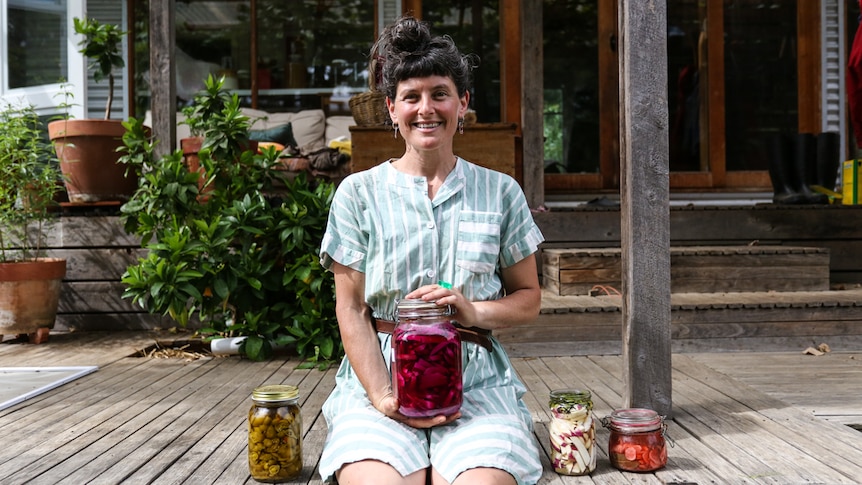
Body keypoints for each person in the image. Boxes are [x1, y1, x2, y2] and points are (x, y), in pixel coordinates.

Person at [318, 16, 544, 485]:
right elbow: (352, 308)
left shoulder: (500, 192)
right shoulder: (358, 194)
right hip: (380, 377)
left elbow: (529, 299)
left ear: (462, 104)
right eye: (411, 97)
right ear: (391, 108)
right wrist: (384, 396)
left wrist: (472, 311)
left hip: (478, 380)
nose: (427, 109)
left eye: (440, 94)